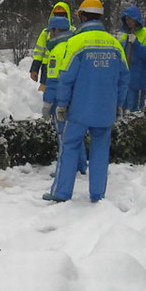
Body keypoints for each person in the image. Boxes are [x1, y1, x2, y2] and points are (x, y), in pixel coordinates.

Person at [43, 0, 129, 203]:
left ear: (82, 16)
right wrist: (119, 104)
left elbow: (66, 78)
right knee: (100, 151)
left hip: (78, 109)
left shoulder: (75, 43)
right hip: (105, 109)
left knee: (69, 146)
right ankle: (98, 195)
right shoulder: (114, 44)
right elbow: (124, 78)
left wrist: (62, 104)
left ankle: (61, 193)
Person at [41, 15, 87, 176]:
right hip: (78, 98)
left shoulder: (57, 50)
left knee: (64, 136)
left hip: (61, 100)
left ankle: (65, 168)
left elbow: (54, 81)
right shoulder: (75, 46)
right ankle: (81, 165)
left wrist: (47, 103)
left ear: (55, 30)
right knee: (76, 134)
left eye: (50, 31)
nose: (49, 35)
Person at [117, 4, 146, 111]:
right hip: (125, 79)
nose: (128, 21)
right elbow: (119, 53)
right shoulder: (125, 36)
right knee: (123, 108)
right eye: (126, 19)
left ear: (136, 19)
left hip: (138, 79)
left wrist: (136, 43)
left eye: (130, 19)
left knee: (136, 109)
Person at [29, 1, 73, 85]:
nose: (59, 17)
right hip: (47, 67)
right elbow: (39, 52)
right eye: (56, 15)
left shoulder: (73, 32)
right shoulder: (46, 32)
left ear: (67, 15)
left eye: (62, 15)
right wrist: (34, 69)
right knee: (45, 90)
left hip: (65, 67)